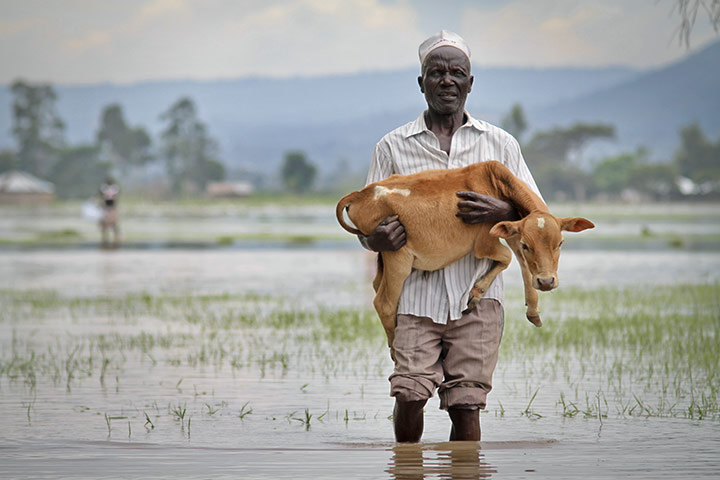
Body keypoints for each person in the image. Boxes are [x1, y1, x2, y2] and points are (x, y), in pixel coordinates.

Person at [359, 31, 543, 443]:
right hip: (414, 296)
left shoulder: (500, 145)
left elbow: (538, 218)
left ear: (470, 83)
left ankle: (464, 470)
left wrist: (502, 211)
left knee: (466, 404)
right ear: (421, 82)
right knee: (409, 393)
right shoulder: (392, 147)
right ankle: (406, 467)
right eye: (436, 73)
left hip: (477, 299)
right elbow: (367, 228)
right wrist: (377, 241)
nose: (446, 80)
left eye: (456, 73)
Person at [98, 176, 121, 248]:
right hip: (106, 207)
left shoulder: (115, 188)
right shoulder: (104, 188)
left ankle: (116, 237)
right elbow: (101, 196)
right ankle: (105, 238)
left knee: (114, 223)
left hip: (112, 207)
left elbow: (115, 197)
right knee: (104, 223)